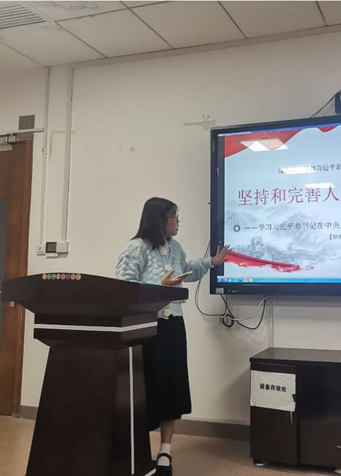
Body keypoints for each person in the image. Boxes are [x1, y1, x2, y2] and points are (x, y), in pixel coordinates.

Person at [115, 197, 230, 475]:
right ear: (159, 220)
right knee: (145, 388)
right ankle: (137, 448)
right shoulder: (136, 248)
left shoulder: (175, 248)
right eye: (174, 217)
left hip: (173, 325)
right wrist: (159, 285)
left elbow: (186, 271)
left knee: (172, 386)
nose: (178, 222)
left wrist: (212, 262)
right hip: (145, 328)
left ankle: (165, 451)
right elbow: (122, 288)